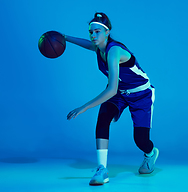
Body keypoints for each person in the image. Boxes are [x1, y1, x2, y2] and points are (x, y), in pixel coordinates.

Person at [65, 12, 158, 185]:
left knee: (140, 140)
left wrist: (84, 107)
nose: (93, 36)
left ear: (107, 32)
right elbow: (87, 44)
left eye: (97, 32)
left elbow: (111, 88)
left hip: (140, 95)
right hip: (121, 93)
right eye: (91, 32)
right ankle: (102, 169)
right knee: (103, 117)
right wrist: (65, 38)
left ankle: (150, 153)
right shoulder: (98, 47)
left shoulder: (114, 51)